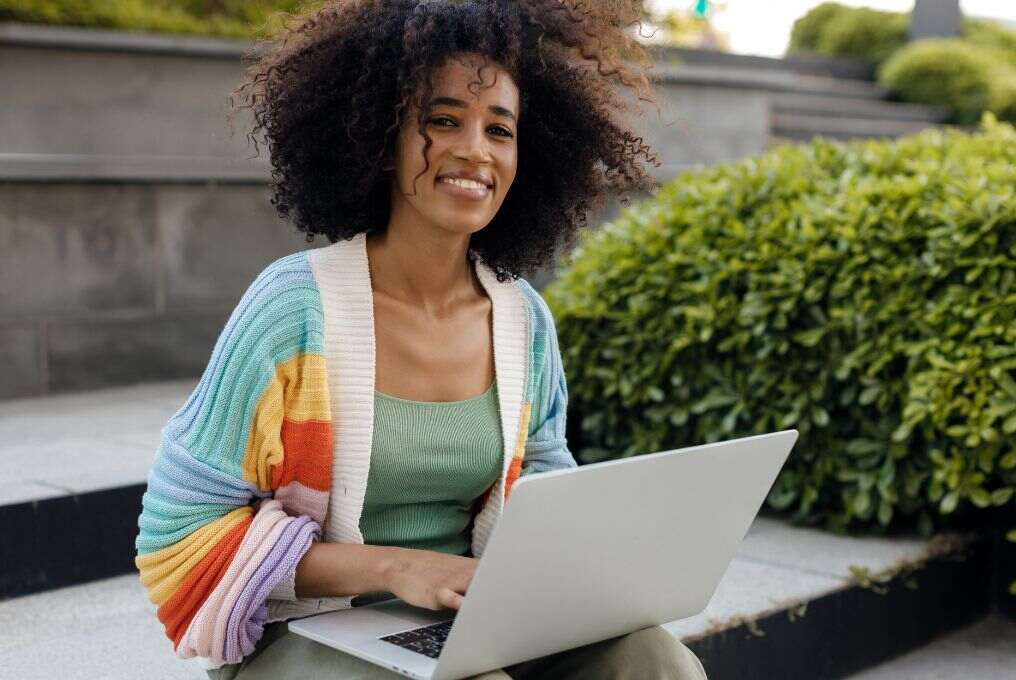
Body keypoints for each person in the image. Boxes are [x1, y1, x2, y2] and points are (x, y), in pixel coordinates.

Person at [135, 1, 707, 677]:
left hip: (462, 618)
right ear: (383, 137)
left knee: (654, 661)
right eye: (442, 121)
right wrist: (395, 567)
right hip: (308, 633)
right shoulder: (293, 312)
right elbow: (178, 532)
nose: (474, 149)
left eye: (500, 128)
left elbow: (544, 485)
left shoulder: (521, 321)